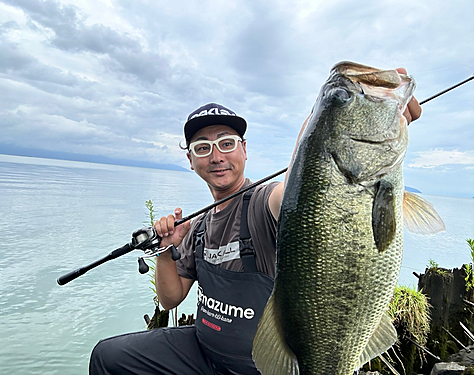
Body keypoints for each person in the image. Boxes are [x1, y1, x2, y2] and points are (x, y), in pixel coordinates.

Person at [90, 75, 422, 374]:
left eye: (227, 143)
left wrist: (341, 116)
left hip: (260, 366)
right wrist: (166, 249)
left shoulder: (266, 202)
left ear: (244, 151)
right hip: (202, 353)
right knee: (107, 358)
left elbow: (303, 194)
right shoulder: (199, 225)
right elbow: (170, 299)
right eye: (203, 148)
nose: (217, 156)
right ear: (191, 161)